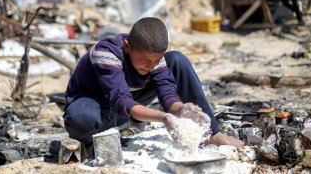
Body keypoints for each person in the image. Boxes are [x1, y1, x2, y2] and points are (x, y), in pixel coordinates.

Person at [64, 17, 243, 151]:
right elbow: (122, 101)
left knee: (177, 60)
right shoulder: (106, 52)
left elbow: (167, 94)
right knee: (81, 118)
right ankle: (89, 143)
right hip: (96, 106)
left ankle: (211, 134)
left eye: (155, 61)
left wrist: (181, 110)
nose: (150, 66)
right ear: (127, 47)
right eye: (144, 60)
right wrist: (164, 117)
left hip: (129, 107)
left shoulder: (154, 60)